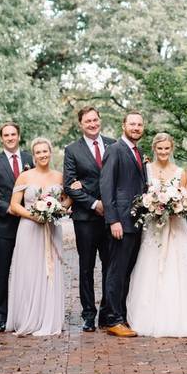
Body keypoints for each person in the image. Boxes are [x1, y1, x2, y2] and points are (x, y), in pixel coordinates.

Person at [126, 133, 187, 337]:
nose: (164, 152)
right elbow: (142, 196)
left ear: (172, 148)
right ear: (154, 149)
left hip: (176, 226)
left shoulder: (180, 171)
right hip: (154, 227)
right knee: (151, 266)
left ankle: (182, 316)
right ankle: (149, 316)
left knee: (178, 268)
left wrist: (180, 205)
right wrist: (153, 205)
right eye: (160, 149)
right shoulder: (146, 169)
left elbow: (186, 198)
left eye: (167, 148)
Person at [6, 137, 70, 336]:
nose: (43, 155)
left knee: (50, 272)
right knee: (30, 271)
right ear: (33, 156)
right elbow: (14, 205)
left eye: (45, 151)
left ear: (50, 153)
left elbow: (68, 199)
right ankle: (28, 317)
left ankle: (49, 318)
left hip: (52, 228)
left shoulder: (60, 176)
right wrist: (35, 216)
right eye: (38, 152)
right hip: (29, 229)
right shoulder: (24, 177)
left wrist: (58, 209)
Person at [63, 106, 116, 332]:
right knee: (86, 267)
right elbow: (70, 185)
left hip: (111, 217)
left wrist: (110, 206)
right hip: (85, 217)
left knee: (110, 266)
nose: (92, 124)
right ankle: (88, 315)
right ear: (81, 124)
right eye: (88, 121)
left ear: (100, 121)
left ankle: (106, 312)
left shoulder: (114, 145)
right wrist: (94, 204)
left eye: (95, 120)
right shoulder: (72, 150)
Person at [0, 122, 33, 332]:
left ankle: (25, 312)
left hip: (29, 225)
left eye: (13, 134)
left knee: (28, 271)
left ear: (19, 136)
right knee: (1, 272)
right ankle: (0, 316)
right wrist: (6, 207)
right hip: (3, 227)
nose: (10, 138)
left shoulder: (30, 159)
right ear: (1, 138)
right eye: (6, 135)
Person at [99, 111, 148, 338]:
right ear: (123, 125)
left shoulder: (137, 152)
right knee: (116, 272)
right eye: (132, 124)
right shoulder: (115, 150)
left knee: (126, 272)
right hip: (121, 222)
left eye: (139, 124)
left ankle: (122, 315)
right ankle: (113, 319)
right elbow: (106, 187)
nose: (136, 128)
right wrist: (113, 220)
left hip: (135, 222)